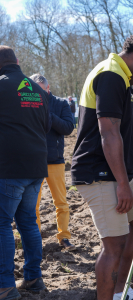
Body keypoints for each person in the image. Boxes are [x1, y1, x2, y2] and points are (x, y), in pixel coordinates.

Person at [71, 31, 133, 300]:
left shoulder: (120, 75)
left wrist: (126, 178)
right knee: (114, 245)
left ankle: (122, 290)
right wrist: (122, 184)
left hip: (118, 170)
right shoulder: (111, 75)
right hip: (99, 172)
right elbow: (108, 134)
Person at [0, 46, 50, 299]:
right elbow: (47, 124)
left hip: (9, 167)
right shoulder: (38, 91)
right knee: (28, 222)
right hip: (36, 166)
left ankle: (5, 285)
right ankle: (33, 278)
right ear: (17, 62)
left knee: (1, 223)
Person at [30, 74, 75, 251]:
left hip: (55, 160)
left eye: (41, 90)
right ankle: (34, 238)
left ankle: (64, 237)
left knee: (61, 202)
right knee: (32, 204)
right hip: (33, 161)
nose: (37, 94)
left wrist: (48, 114)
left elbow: (68, 128)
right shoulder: (27, 104)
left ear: (48, 89)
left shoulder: (61, 104)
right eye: (34, 90)